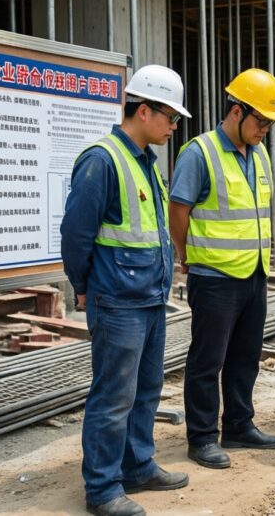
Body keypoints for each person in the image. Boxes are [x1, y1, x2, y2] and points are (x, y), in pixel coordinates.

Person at [61, 65, 192, 516]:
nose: (174, 126)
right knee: (113, 395)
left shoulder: (144, 163)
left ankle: (138, 465)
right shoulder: (101, 160)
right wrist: (82, 286)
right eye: (170, 117)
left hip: (149, 298)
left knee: (146, 389)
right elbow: (76, 234)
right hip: (116, 300)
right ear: (143, 110)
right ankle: (102, 487)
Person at [168, 68, 275, 470]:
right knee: (207, 360)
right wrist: (189, 258)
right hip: (214, 277)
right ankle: (201, 437)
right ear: (237, 111)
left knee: (245, 357)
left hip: (254, 274)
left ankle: (238, 424)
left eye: (270, 123)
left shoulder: (261, 153)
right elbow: (178, 211)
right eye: (261, 121)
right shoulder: (199, 153)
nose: (265, 130)